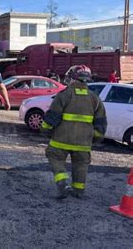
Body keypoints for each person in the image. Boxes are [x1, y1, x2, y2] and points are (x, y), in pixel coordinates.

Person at [41, 65, 107, 199]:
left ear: (72, 79)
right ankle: (78, 190)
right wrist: (94, 138)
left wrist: (45, 130)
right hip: (83, 142)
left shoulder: (64, 95)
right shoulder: (95, 98)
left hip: (60, 140)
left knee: (54, 157)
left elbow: (52, 117)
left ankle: (62, 181)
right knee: (81, 165)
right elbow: (101, 124)